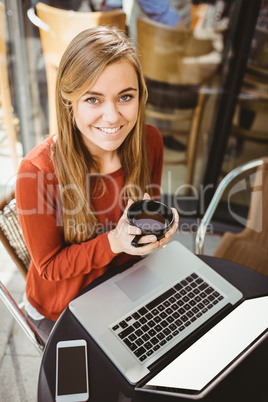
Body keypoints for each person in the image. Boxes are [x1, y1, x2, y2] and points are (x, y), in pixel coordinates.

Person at [16, 26, 179, 342]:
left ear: (140, 96)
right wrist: (114, 243)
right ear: (70, 103)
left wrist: (156, 228)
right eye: (93, 99)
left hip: (124, 283)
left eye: (125, 97)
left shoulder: (150, 142)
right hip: (60, 307)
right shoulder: (37, 171)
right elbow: (49, 267)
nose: (112, 116)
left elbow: (143, 211)